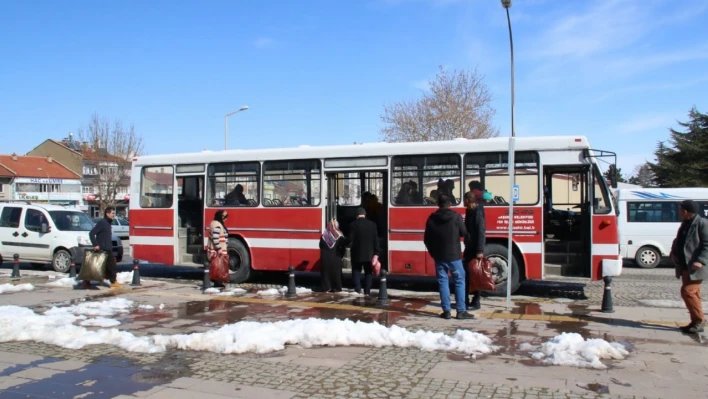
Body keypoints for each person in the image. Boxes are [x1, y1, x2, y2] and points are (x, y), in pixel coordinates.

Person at [424, 194, 474, 320]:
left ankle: (446, 311)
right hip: (454, 255)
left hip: (439, 256)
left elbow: (427, 239)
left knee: (443, 282)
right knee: (459, 281)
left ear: (438, 204)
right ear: (450, 204)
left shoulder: (432, 218)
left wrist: (433, 253)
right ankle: (461, 311)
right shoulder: (456, 217)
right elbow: (464, 233)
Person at [670, 200, 708, 334]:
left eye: (680, 209)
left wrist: (701, 260)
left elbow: (707, 244)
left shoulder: (702, 223)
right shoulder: (685, 223)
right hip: (685, 265)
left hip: (696, 266)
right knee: (693, 293)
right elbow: (678, 241)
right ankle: (695, 321)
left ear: (685, 211)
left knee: (688, 291)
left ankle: (699, 320)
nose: (679, 211)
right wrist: (673, 253)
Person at [348, 207, 380, 295]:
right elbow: (375, 240)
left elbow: (350, 240)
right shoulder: (373, 224)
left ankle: (358, 289)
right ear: (365, 215)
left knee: (356, 271)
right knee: (368, 272)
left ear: (357, 215)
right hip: (369, 253)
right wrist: (376, 253)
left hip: (356, 253)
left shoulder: (353, 224)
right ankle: (367, 290)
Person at [87, 207, 121, 289]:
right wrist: (95, 244)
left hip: (108, 248)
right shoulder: (102, 223)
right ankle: (113, 282)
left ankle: (113, 281)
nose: (114, 215)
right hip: (102, 249)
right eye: (112, 213)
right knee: (97, 267)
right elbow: (91, 233)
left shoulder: (108, 223)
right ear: (107, 214)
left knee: (109, 267)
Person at [463, 189, 486, 310]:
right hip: (470, 247)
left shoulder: (477, 212)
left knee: (475, 275)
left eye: (464, 201)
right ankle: (466, 300)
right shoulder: (470, 211)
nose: (463, 203)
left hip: (475, 249)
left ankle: (476, 301)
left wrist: (480, 251)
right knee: (468, 274)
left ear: (468, 200)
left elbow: (481, 232)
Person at [319, 220, 347, 292]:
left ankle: (326, 288)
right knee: (336, 274)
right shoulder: (339, 235)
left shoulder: (324, 235)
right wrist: (341, 255)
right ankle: (336, 288)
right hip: (336, 258)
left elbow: (320, 246)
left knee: (326, 274)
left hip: (325, 258)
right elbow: (343, 247)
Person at [207, 210, 231, 287]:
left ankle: (217, 282)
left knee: (217, 266)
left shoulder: (214, 223)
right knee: (218, 266)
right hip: (217, 250)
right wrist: (219, 249)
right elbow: (215, 238)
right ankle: (217, 282)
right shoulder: (217, 225)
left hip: (216, 249)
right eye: (224, 217)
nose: (226, 219)